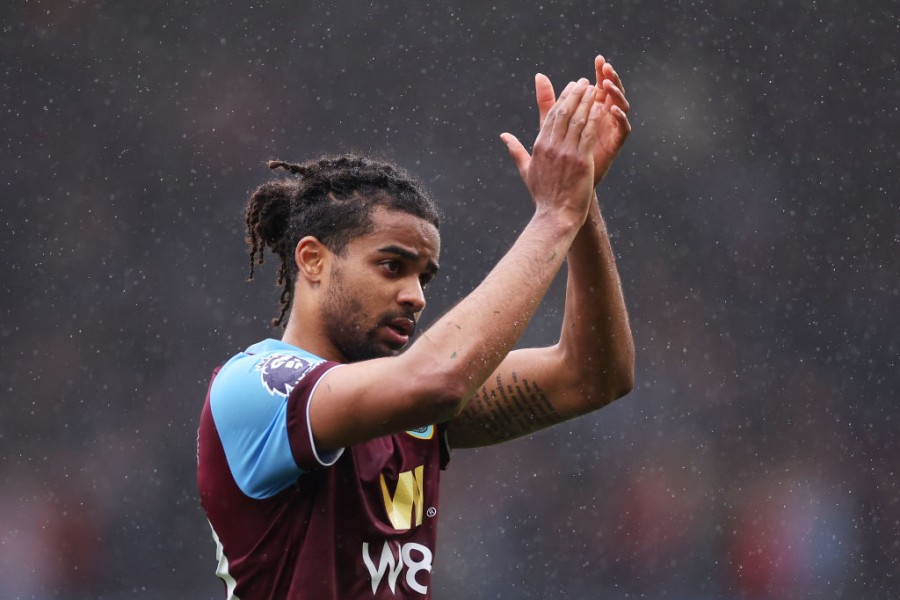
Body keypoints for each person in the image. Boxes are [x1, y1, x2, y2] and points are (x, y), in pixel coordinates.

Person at [197, 55, 634, 599]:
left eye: (424, 276)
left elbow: (594, 376)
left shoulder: (407, 410)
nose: (416, 295)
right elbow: (437, 380)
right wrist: (552, 216)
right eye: (391, 266)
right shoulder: (258, 387)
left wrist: (581, 200)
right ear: (312, 260)